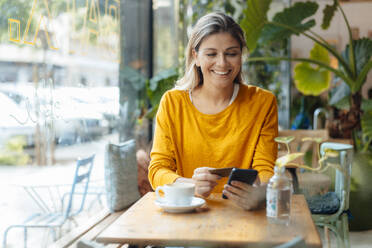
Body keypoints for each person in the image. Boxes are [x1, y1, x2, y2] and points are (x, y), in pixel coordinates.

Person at [148, 12, 278, 210]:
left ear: (241, 56)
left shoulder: (263, 103)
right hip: (186, 216)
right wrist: (190, 185)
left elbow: (266, 170)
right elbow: (157, 170)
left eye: (231, 53)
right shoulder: (172, 103)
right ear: (196, 56)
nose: (222, 63)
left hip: (242, 217)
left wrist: (259, 194)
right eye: (211, 54)